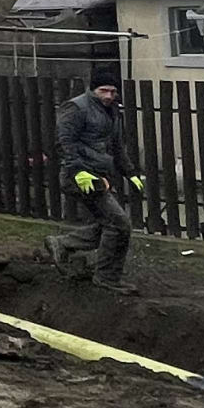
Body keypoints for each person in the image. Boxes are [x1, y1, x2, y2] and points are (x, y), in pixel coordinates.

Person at [51, 77, 140, 290]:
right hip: (80, 177)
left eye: (113, 91)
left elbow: (116, 146)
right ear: (92, 90)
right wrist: (78, 171)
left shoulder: (111, 111)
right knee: (119, 224)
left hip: (99, 176)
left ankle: (63, 243)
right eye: (103, 90)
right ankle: (107, 278)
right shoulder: (76, 108)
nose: (109, 95)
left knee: (109, 223)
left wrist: (130, 172)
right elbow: (64, 142)